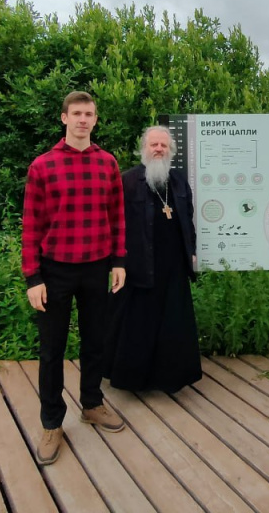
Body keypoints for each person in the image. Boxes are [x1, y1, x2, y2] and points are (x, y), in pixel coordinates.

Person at [22, 91, 127, 467]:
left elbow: (117, 216)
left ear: (95, 120)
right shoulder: (43, 166)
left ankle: (92, 404)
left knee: (95, 341)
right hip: (55, 271)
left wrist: (119, 261)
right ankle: (52, 423)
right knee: (52, 350)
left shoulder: (107, 163)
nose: (83, 119)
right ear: (64, 118)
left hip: (97, 266)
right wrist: (33, 277)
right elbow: (31, 225)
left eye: (89, 114)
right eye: (77, 113)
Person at [104, 125, 202, 393]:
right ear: (144, 149)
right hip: (139, 266)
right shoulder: (127, 181)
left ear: (171, 150)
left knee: (172, 325)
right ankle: (133, 381)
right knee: (138, 327)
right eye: (154, 145)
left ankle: (169, 379)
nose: (159, 149)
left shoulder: (178, 181)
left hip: (174, 267)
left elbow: (187, 219)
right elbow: (114, 225)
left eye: (163, 145)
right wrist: (116, 262)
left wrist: (191, 249)